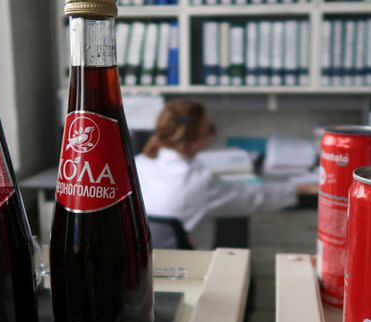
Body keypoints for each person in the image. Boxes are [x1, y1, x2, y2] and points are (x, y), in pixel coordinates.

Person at [135, 99, 316, 250]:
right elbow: (253, 197)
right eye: (208, 129)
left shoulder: (138, 164)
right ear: (193, 142)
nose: (212, 133)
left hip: (149, 269)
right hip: (192, 269)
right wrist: (299, 187)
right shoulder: (198, 180)